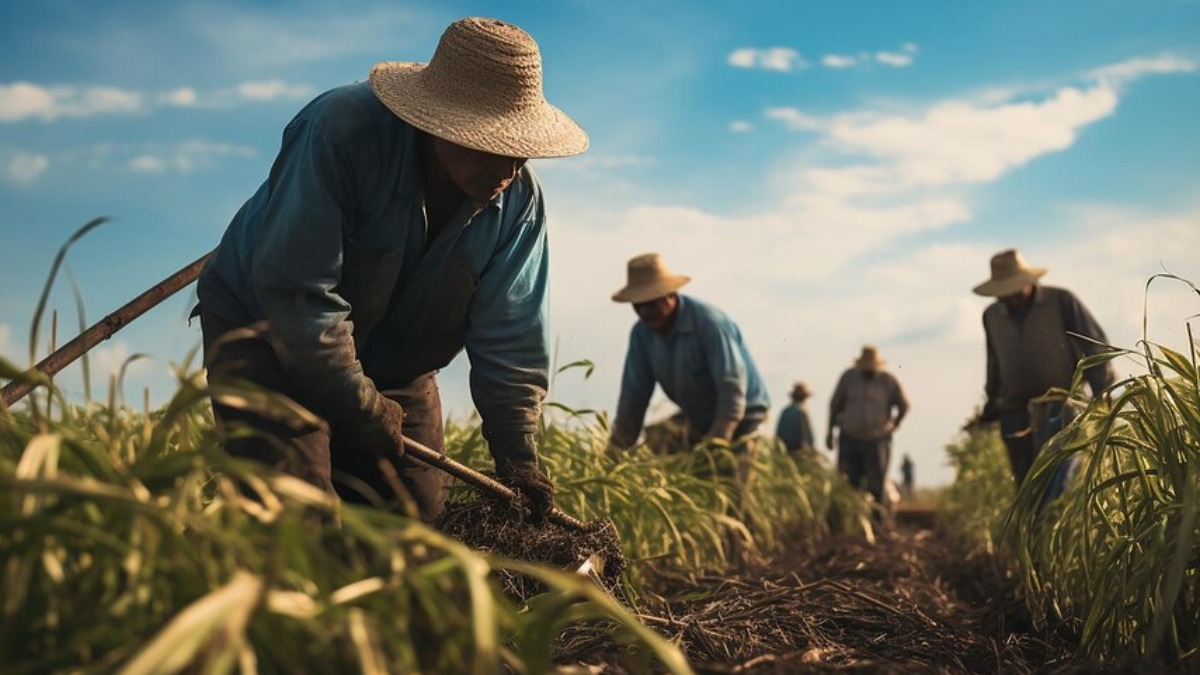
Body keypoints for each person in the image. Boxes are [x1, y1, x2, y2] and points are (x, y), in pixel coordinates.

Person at [194, 17, 588, 524]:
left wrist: (519, 461)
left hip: (399, 364)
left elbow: (512, 338)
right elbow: (298, 295)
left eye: (519, 150)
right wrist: (360, 406)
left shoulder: (518, 205)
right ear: (440, 124)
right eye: (492, 145)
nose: (508, 170)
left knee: (415, 532)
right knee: (299, 520)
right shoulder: (341, 134)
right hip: (268, 336)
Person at [973, 248, 1115, 490]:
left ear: (1029, 282)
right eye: (1003, 293)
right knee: (1026, 486)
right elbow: (994, 362)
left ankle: (1051, 523)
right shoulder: (992, 315)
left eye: (1013, 290)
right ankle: (1032, 528)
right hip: (1014, 411)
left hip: (1060, 406)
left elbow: (1095, 350)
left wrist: (1104, 397)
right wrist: (991, 406)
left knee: (1058, 481)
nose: (1009, 297)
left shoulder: (1061, 302)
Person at [608, 253, 770, 454]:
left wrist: (716, 443)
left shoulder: (709, 324)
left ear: (670, 295)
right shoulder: (642, 335)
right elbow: (633, 400)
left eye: (650, 303)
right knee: (658, 442)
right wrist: (613, 455)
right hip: (699, 418)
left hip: (743, 417)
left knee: (730, 479)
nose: (644, 312)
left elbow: (732, 392)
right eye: (637, 305)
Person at [825, 345, 910, 508]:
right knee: (848, 482)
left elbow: (904, 405)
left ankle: (877, 521)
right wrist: (829, 432)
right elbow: (835, 405)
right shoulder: (848, 378)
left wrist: (895, 423)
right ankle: (851, 523)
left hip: (877, 440)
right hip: (849, 437)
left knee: (876, 483)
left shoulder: (888, 381)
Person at [775, 382, 816, 457]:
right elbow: (808, 439)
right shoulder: (802, 411)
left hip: (782, 455)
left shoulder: (785, 411)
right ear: (804, 398)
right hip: (797, 455)